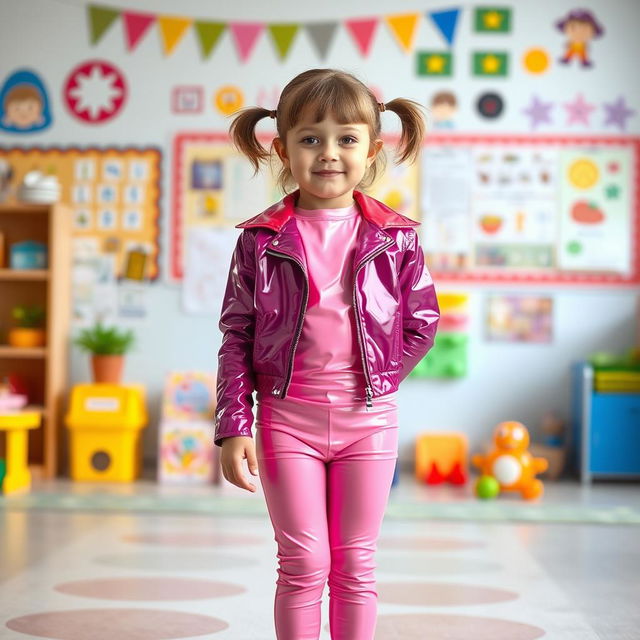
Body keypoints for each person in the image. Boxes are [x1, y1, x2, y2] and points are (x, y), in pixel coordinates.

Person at [214, 68, 440, 640]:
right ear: (283, 149)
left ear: (372, 149)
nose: (329, 153)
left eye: (347, 138)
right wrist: (234, 424)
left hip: (370, 423)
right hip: (288, 421)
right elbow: (237, 334)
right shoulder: (260, 239)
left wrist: (378, 380)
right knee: (303, 565)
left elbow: (423, 321)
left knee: (355, 566)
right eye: (310, 138)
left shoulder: (396, 237)